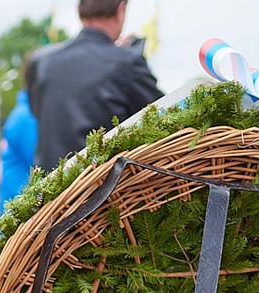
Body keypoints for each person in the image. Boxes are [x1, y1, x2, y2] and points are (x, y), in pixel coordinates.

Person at [27, 0, 161, 171]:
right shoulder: (126, 62)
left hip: (51, 183)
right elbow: (162, 116)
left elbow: (37, 113)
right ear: (120, 9)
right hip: (104, 182)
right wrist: (124, 54)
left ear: (79, 10)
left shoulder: (43, 62)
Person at [0, 60, 39, 209]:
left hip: (19, 210)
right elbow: (47, 167)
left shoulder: (23, 113)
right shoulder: (28, 117)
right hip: (23, 213)